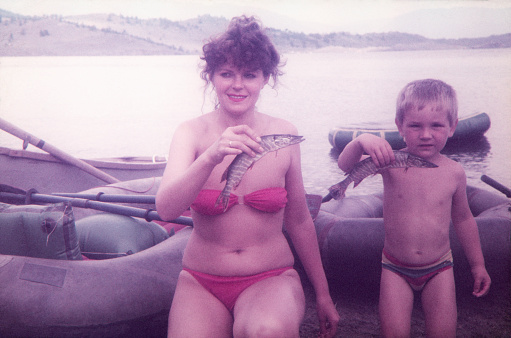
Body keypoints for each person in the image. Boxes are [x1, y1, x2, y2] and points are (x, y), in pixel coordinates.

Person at [155, 15, 339, 337]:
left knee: (266, 331)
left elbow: (298, 221)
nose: (237, 84)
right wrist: (211, 157)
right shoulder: (190, 133)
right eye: (227, 73)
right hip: (201, 281)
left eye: (249, 74)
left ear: (265, 78)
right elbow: (166, 209)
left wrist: (323, 295)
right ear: (211, 76)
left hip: (271, 277)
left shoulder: (285, 134)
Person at [337, 79, 491, 337]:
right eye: (415, 126)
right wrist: (360, 141)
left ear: (452, 127)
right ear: (400, 126)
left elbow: (464, 219)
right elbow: (345, 166)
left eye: (437, 125)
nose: (426, 134)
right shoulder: (389, 162)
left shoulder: (454, 172)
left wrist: (478, 264)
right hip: (394, 268)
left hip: (439, 268)